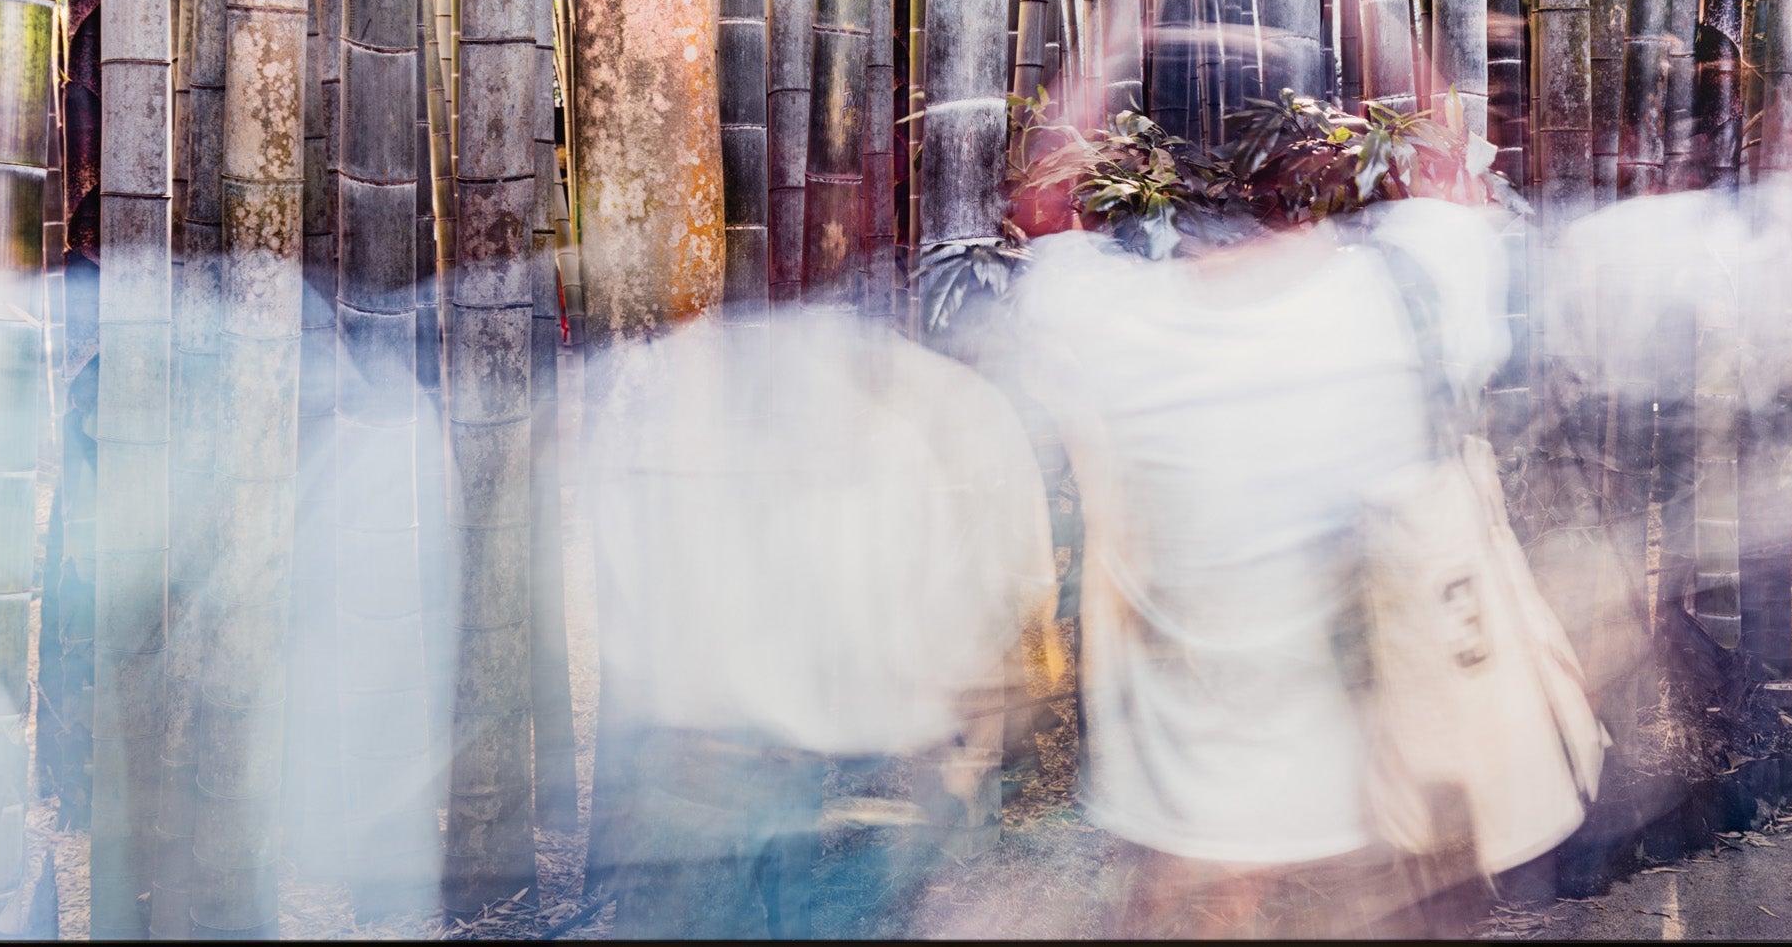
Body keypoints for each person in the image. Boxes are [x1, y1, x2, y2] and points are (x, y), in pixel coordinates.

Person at [1002, 196, 1512, 937]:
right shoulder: (1385, 299)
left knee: (1186, 903)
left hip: (1189, 784)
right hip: (1369, 782)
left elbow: (1044, 239)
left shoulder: (1115, 323)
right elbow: (1459, 210)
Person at [584, 307, 1058, 938]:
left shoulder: (898, 429)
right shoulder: (917, 432)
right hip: (768, 744)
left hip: (753, 744)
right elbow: (995, 610)